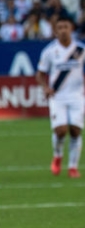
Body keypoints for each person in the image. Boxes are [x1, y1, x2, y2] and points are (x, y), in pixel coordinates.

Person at [36, 15, 85, 178]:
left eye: (66, 27)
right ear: (55, 30)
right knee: (61, 131)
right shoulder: (49, 51)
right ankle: (57, 156)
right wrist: (46, 87)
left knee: (76, 131)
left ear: (72, 29)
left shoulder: (80, 50)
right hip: (58, 97)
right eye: (60, 28)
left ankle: (73, 167)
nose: (63, 30)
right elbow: (40, 74)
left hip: (77, 95)